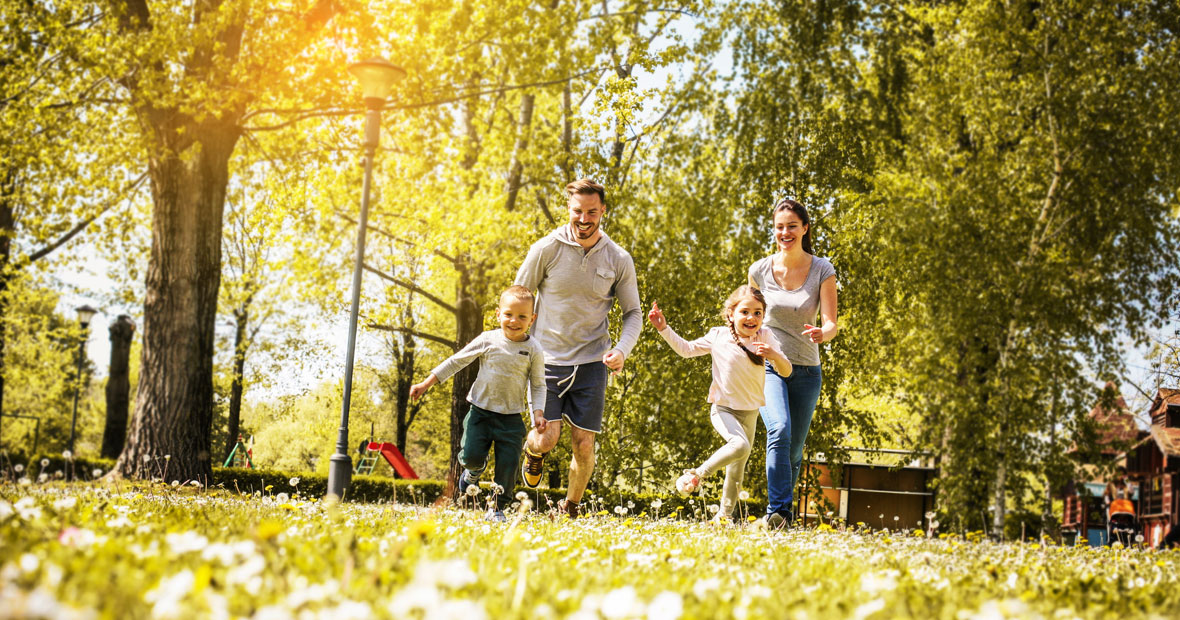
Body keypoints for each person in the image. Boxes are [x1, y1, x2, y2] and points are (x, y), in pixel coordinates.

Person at [514, 179, 642, 518]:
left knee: (584, 443)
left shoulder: (618, 258)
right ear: (568, 210)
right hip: (547, 360)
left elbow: (633, 314)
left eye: (591, 212)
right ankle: (534, 450)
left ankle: (570, 507)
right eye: (577, 212)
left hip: (591, 363)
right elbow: (519, 297)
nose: (584, 219)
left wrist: (622, 349)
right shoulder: (546, 249)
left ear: (603, 212)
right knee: (548, 438)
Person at [646, 287, 791, 525]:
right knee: (740, 445)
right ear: (731, 314)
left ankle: (724, 517)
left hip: (750, 412)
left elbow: (787, 371)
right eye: (745, 312)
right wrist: (663, 328)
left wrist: (775, 355)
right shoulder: (719, 335)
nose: (751, 318)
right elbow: (686, 349)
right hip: (723, 409)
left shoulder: (765, 337)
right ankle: (696, 474)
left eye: (758, 313)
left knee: (737, 468)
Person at [409, 285, 546, 523]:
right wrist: (426, 383)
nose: (514, 321)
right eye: (508, 314)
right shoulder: (487, 339)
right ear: (498, 314)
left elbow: (538, 384)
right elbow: (456, 361)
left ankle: (497, 508)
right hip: (480, 413)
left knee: (509, 465)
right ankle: (473, 471)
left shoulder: (533, 348)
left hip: (511, 418)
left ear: (532, 319)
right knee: (471, 456)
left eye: (522, 316)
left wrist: (538, 413)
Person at [748, 198, 839, 528]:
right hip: (769, 364)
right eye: (779, 226)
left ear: (804, 228)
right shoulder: (759, 270)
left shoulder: (822, 269)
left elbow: (831, 323)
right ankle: (780, 512)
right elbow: (746, 314)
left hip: (805, 370)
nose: (784, 232)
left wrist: (822, 333)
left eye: (791, 226)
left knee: (795, 449)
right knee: (779, 429)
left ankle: (781, 517)